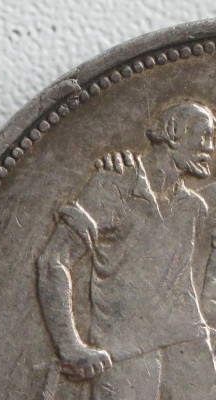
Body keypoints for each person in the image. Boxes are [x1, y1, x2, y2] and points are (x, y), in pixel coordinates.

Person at [37, 102, 216, 399]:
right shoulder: (113, 184)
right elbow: (54, 260)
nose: (210, 148)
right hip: (125, 353)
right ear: (174, 132)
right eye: (205, 135)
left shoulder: (194, 207)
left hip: (190, 347)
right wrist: (69, 345)